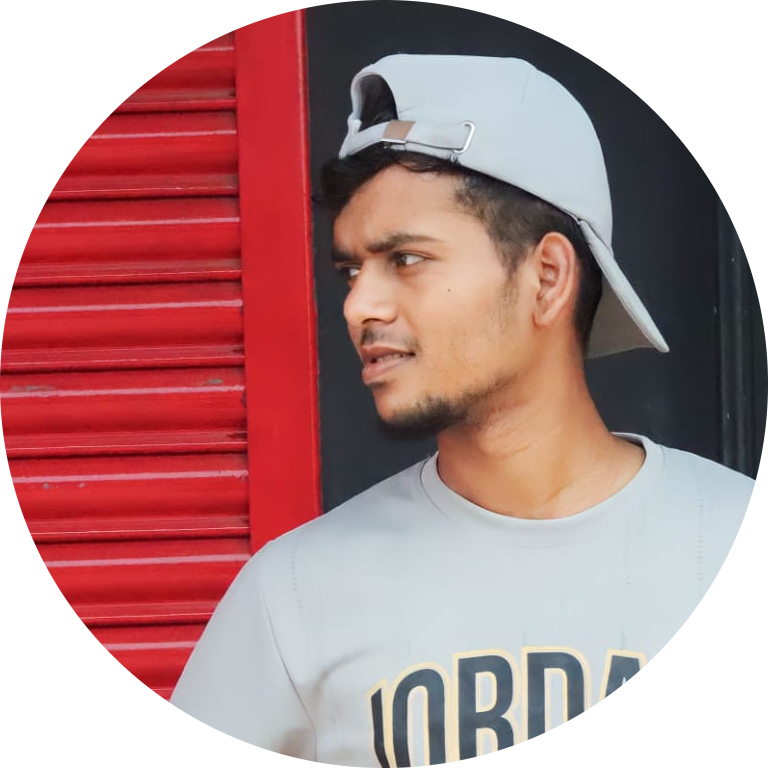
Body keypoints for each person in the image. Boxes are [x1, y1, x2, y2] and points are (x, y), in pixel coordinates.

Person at [169, 54, 754, 763]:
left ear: (547, 278)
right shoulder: (293, 595)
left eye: (407, 259)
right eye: (351, 271)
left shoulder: (718, 537)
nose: (359, 306)